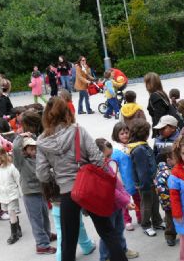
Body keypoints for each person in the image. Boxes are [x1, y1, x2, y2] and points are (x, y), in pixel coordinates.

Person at [36, 97, 128, 261]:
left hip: (66, 193)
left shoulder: (42, 142)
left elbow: (42, 174)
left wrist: (58, 177)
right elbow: (98, 160)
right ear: (67, 112)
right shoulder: (78, 130)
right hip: (89, 188)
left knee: (68, 241)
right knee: (107, 232)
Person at [95, 139, 139, 260]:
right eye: (107, 155)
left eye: (111, 155)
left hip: (116, 206)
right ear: (98, 154)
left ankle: (122, 250)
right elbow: (110, 190)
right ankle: (105, 257)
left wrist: (126, 199)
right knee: (108, 235)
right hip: (107, 208)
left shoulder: (107, 164)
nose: (110, 158)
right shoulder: (99, 168)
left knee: (119, 230)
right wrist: (126, 202)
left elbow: (118, 184)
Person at [13, 136, 56, 254]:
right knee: (36, 219)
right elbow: (15, 148)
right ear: (24, 150)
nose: (34, 151)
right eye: (31, 149)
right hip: (30, 194)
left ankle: (46, 234)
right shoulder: (21, 161)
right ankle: (42, 244)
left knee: (44, 215)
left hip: (41, 191)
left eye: (35, 148)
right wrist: (20, 136)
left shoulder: (38, 158)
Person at [43, 179, 96, 261]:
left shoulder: (48, 170)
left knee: (61, 231)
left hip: (55, 202)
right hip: (68, 198)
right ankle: (86, 246)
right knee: (78, 225)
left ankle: (61, 255)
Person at [128, 119, 164, 237]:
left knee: (155, 202)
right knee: (147, 204)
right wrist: (145, 184)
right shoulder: (139, 150)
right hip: (146, 183)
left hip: (151, 181)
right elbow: (142, 170)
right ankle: (146, 225)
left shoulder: (142, 146)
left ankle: (157, 221)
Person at [111, 122, 142, 231]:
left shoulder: (133, 146)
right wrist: (118, 181)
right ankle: (127, 220)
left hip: (135, 179)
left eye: (126, 132)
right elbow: (114, 168)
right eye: (122, 133)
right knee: (125, 202)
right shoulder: (116, 151)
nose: (125, 135)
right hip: (123, 181)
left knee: (138, 199)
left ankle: (140, 216)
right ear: (116, 135)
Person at [0, 147, 22, 244]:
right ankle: (18, 228)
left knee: (11, 213)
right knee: (11, 213)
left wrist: (22, 192)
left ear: (2, 157)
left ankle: (14, 235)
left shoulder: (11, 167)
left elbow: (18, 179)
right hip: (2, 197)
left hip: (12, 194)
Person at [154, 147, 178, 246]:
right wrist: (168, 203)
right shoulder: (163, 173)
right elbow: (160, 189)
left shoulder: (171, 169)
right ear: (169, 160)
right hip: (169, 202)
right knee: (170, 220)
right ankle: (170, 236)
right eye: (176, 157)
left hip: (175, 200)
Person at [144, 72, 173, 137]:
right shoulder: (162, 93)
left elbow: (159, 116)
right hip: (167, 127)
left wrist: (157, 132)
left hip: (162, 130)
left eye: (146, 83)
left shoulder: (154, 96)